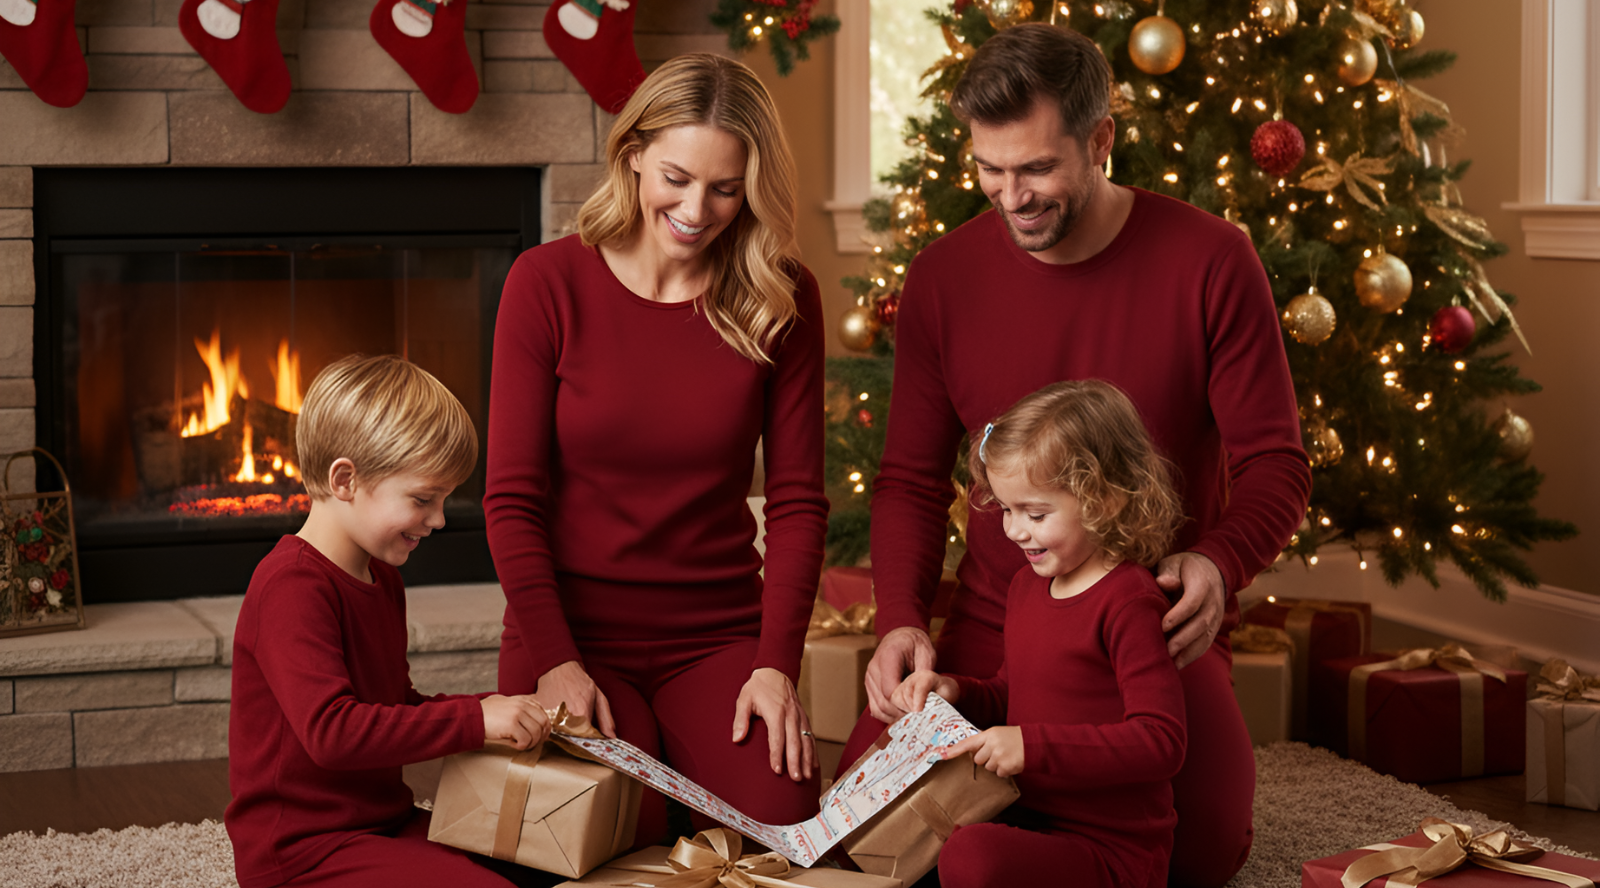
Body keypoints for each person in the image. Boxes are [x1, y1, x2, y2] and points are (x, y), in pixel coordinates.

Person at [844, 23, 1312, 888]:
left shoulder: (1213, 260)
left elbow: (1277, 464)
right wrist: (902, 622)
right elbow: (909, 480)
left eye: (1036, 169)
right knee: (862, 840)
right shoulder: (943, 277)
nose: (1011, 195)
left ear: (1101, 140)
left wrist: (1218, 561)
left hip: (1151, 624)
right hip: (996, 627)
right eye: (990, 169)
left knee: (1202, 854)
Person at [485, 53, 828, 844]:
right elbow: (510, 501)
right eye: (676, 176)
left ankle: (691, 774)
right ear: (632, 151)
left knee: (784, 825)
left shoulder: (782, 295)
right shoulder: (546, 283)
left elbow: (801, 501)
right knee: (608, 831)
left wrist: (777, 665)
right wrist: (556, 660)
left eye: (725, 188)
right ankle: (670, 790)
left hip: (718, 636)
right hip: (573, 633)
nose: (696, 208)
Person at [226, 354, 553, 888]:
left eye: (445, 500)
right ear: (345, 480)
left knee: (537, 863)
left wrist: (489, 710)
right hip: (303, 853)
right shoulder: (290, 586)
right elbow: (333, 732)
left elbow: (389, 709)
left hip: (382, 823)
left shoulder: (383, 578)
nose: (440, 520)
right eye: (424, 499)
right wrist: (474, 723)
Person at [894, 380, 1187, 888]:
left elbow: (1162, 741)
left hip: (1110, 848)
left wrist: (1032, 747)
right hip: (1022, 813)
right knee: (911, 841)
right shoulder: (1027, 587)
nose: (1014, 531)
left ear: (1107, 500)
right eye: (1007, 510)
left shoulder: (1128, 601)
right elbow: (1015, 692)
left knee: (970, 856)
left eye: (1036, 514)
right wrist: (957, 690)